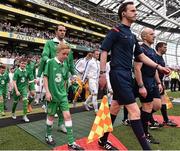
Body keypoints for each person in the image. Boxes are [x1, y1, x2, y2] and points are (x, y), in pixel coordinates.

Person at [98, 1, 170, 150]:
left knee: (115, 107)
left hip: (126, 75)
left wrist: (159, 67)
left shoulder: (131, 35)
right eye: (132, 10)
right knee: (135, 111)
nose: (136, 13)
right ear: (123, 13)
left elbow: (141, 57)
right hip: (117, 73)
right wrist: (102, 73)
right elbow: (104, 51)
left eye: (136, 10)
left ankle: (102, 140)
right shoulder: (115, 31)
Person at [43, 42, 84, 150]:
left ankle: (71, 143)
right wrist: (47, 92)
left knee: (67, 116)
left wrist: (72, 79)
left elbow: (65, 78)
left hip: (63, 95)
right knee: (51, 116)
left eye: (67, 54)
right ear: (58, 52)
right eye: (64, 54)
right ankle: (48, 135)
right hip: (52, 95)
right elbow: (45, 77)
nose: (66, 56)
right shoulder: (51, 62)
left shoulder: (65, 64)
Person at [37, 24, 75, 133]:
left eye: (64, 31)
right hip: (52, 76)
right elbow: (44, 56)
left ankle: (61, 124)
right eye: (60, 30)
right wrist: (50, 62)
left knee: (64, 101)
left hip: (64, 77)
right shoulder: (49, 43)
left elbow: (71, 63)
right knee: (53, 101)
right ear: (56, 31)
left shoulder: (68, 45)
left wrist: (74, 75)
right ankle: (49, 127)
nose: (63, 32)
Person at [134, 28, 163, 144]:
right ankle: (144, 134)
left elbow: (154, 68)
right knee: (147, 107)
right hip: (145, 81)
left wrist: (159, 82)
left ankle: (137, 119)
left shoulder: (151, 50)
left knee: (157, 105)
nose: (154, 36)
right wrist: (141, 85)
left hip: (152, 81)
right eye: (151, 34)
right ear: (144, 37)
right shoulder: (141, 49)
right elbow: (137, 68)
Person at [149, 42, 177, 127]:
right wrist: (158, 83)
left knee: (163, 101)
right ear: (159, 48)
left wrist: (165, 75)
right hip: (153, 82)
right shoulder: (154, 56)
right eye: (164, 47)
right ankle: (146, 116)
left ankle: (166, 120)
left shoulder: (161, 57)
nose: (166, 49)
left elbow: (160, 70)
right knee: (155, 104)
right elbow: (154, 70)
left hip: (159, 81)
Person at [12, 57, 35, 122]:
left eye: (25, 64)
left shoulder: (27, 71)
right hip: (17, 89)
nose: (23, 65)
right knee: (15, 103)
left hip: (24, 89)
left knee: (25, 101)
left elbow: (29, 80)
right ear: (19, 63)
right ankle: (13, 112)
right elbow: (14, 82)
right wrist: (16, 91)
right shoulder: (17, 72)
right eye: (22, 63)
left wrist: (30, 88)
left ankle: (24, 116)